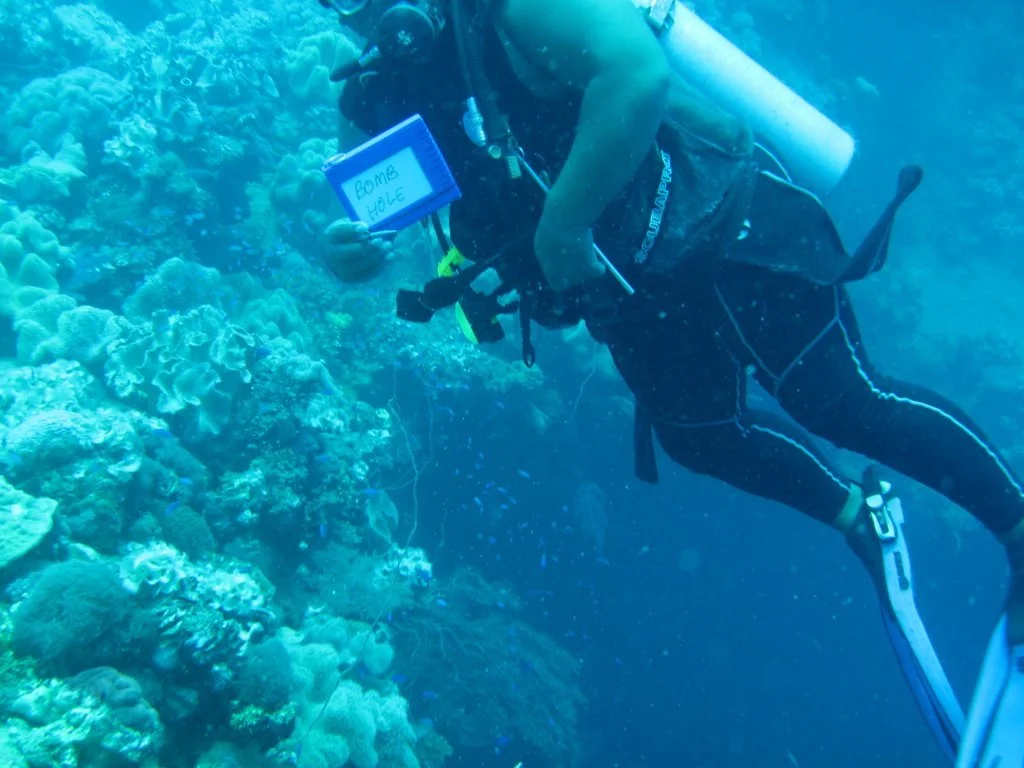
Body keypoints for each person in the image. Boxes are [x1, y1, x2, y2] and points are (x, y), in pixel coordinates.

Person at [316, 0, 1024, 763]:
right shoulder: (377, 97)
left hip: (717, 214)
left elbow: (638, 74)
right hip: (628, 287)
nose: (363, 11)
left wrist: (561, 225)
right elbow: (369, 229)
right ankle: (862, 516)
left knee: (843, 402)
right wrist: (351, 253)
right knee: (701, 437)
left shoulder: (512, 10)